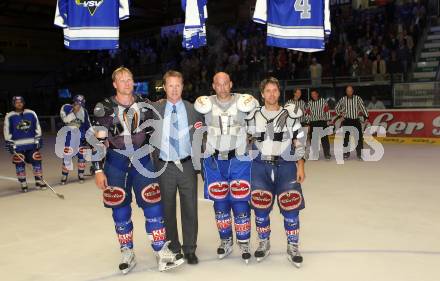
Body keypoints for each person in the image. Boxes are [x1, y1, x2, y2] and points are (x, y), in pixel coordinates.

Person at [92, 67, 183, 275]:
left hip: (143, 160)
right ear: (114, 84)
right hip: (116, 162)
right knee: (120, 209)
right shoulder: (104, 108)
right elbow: (96, 141)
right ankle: (127, 251)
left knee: (153, 204)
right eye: (121, 80)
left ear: (134, 82)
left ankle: (161, 251)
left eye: (129, 79)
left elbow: (156, 133)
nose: (126, 83)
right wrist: (97, 169)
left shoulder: (144, 103)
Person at [194, 72, 258, 264]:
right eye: (218, 84)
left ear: (231, 83)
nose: (222, 87)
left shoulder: (245, 101)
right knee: (220, 203)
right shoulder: (204, 104)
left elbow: (260, 121)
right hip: (214, 161)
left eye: (225, 84)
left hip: (238, 159)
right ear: (213, 86)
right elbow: (194, 125)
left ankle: (244, 241)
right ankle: (226, 239)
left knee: (240, 201)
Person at [246, 77, 306, 267]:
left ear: (279, 93)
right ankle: (264, 242)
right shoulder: (253, 115)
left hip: (286, 165)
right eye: (268, 91)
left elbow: (299, 141)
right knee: (260, 207)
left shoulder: (290, 115)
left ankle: (293, 245)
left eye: (275, 90)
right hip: (259, 166)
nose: (272, 94)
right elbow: (245, 139)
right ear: (262, 94)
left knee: (291, 207)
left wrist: (301, 165)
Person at [151, 70, 202, 265]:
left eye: (178, 85)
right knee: (168, 208)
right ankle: (174, 246)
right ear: (164, 87)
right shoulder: (154, 109)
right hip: (164, 166)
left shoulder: (193, 109)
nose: (174, 89)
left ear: (183, 86)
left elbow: (202, 134)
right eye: (170, 85)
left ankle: (190, 248)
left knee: (190, 207)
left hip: (187, 165)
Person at [3, 96, 46, 192]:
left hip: (31, 144)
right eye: (17, 102)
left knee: (36, 159)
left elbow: (37, 126)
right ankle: (23, 183)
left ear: (23, 103)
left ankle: (39, 181)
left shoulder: (31, 113)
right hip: (18, 146)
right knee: (19, 163)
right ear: (13, 104)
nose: (19, 104)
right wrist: (9, 142)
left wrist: (38, 138)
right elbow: (7, 130)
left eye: (21, 102)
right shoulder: (9, 116)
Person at [59, 95, 91, 184]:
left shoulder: (84, 111)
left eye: (81, 104)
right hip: (69, 137)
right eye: (77, 103)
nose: (79, 105)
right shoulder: (65, 107)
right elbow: (65, 120)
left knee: (82, 157)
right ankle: (64, 175)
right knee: (67, 156)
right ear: (74, 101)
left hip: (81, 137)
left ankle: (81, 174)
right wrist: (73, 111)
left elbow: (88, 125)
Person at [335, 86, 369, 160]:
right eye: (348, 91)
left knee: (359, 138)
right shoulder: (343, 99)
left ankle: (360, 154)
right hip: (346, 121)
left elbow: (363, 108)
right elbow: (337, 108)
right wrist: (340, 114)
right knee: (346, 138)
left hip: (355, 120)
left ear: (353, 91)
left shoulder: (357, 98)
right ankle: (346, 153)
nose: (349, 92)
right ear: (346, 91)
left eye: (350, 91)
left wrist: (366, 117)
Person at [306, 90, 332, 160]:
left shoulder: (323, 101)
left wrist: (329, 120)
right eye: (312, 94)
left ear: (317, 94)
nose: (313, 95)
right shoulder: (310, 103)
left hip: (322, 122)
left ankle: (327, 154)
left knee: (325, 139)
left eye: (314, 94)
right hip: (313, 122)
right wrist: (308, 123)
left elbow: (327, 111)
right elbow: (307, 113)